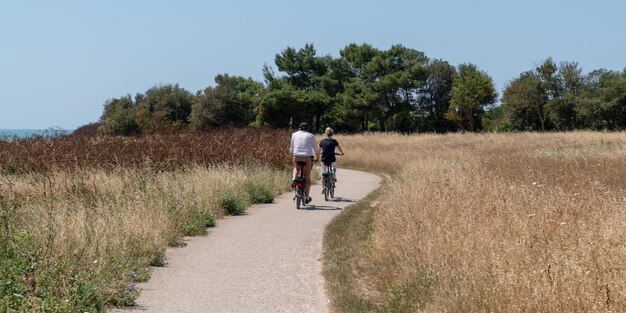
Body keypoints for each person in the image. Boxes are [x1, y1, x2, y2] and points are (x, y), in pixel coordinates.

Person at [289, 122, 320, 204]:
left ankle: (293, 178)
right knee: (307, 176)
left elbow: (291, 148)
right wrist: (317, 158)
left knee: (296, 167)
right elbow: (316, 149)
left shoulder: (294, 135)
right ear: (307, 129)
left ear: (299, 128)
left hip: (296, 156)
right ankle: (306, 196)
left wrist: (292, 157)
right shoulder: (310, 135)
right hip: (307, 157)